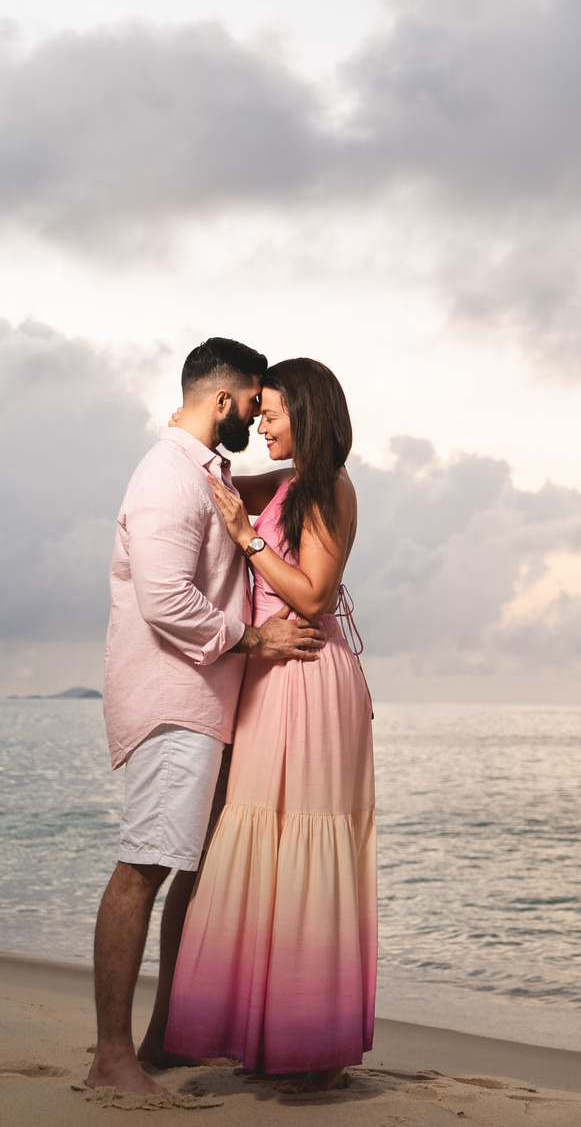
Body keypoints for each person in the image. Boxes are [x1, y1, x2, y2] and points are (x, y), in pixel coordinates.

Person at [87, 338, 326, 1099]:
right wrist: (254, 637)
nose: (257, 417)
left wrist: (317, 457)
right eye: (255, 402)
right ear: (223, 400)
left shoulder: (205, 469)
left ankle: (161, 1037)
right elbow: (165, 601)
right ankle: (110, 1056)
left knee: (187, 867)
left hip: (206, 699)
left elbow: (255, 482)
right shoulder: (167, 477)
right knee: (146, 864)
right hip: (174, 699)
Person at [164, 357, 376, 1092]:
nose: (261, 423)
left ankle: (309, 1046)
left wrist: (248, 540)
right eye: (258, 412)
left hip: (309, 675)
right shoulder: (283, 483)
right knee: (259, 845)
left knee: (301, 848)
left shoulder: (327, 487)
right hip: (269, 676)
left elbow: (314, 595)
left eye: (272, 412)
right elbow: (207, 474)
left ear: (307, 414)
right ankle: (261, 1033)